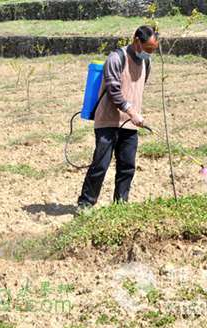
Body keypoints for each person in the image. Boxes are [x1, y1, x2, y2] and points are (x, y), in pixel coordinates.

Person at [77, 25, 159, 210]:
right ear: (137, 41)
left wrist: (134, 114)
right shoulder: (116, 58)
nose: (149, 53)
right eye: (148, 49)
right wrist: (132, 111)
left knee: (127, 167)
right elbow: (114, 91)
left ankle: (120, 207)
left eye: (153, 50)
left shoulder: (147, 62)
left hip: (130, 124)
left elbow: (137, 88)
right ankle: (85, 204)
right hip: (108, 121)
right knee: (100, 165)